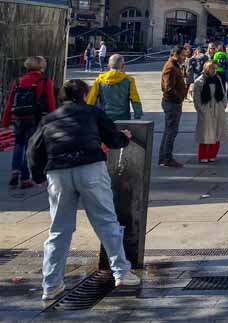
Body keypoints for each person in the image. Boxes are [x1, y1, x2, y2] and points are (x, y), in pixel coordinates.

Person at [27, 79, 141, 302]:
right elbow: (113, 138)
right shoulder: (92, 112)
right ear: (85, 95)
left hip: (58, 172)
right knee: (106, 221)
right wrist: (124, 139)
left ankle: (51, 284)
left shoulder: (49, 119)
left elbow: (34, 148)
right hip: (90, 167)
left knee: (59, 229)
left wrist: (39, 176)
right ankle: (121, 271)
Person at [2, 56, 56, 189]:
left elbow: (10, 101)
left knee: (18, 145)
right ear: (41, 66)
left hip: (18, 118)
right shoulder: (44, 81)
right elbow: (50, 101)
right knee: (30, 147)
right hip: (34, 117)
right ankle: (25, 177)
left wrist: (6, 120)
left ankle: (15, 171)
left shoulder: (18, 81)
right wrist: (54, 118)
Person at [86, 54, 143, 121]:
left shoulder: (99, 79)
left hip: (104, 118)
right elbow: (135, 98)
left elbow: (91, 98)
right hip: (123, 118)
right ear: (123, 66)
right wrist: (138, 114)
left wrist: (88, 114)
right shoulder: (129, 80)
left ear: (108, 66)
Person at [159, 47, 188, 168]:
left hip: (173, 102)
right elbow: (168, 88)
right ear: (176, 54)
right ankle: (167, 158)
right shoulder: (170, 67)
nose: (185, 58)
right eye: (183, 55)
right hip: (172, 102)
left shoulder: (175, 66)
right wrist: (179, 97)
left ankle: (164, 157)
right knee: (171, 131)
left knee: (169, 131)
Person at [193, 61, 227, 163]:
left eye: (215, 69)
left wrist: (223, 105)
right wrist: (201, 109)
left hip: (218, 108)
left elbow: (223, 92)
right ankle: (203, 155)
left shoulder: (218, 79)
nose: (214, 71)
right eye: (212, 69)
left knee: (217, 132)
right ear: (207, 69)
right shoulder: (199, 81)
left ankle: (213, 154)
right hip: (206, 108)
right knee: (205, 133)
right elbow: (196, 98)